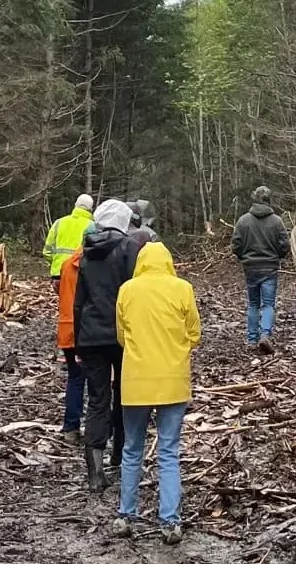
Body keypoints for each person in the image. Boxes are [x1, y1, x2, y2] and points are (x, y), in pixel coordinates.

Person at [114, 242, 202, 544]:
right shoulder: (182, 289)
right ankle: (170, 521)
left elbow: (121, 335)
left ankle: (126, 515)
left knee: (131, 450)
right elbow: (194, 333)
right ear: (168, 262)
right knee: (168, 452)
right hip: (173, 382)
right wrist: (176, 350)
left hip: (135, 382)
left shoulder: (127, 290)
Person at [74, 199, 138, 490]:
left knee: (97, 399)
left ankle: (95, 472)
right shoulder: (129, 249)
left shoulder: (86, 251)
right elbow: (135, 294)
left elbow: (79, 302)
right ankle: (121, 456)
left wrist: (78, 343)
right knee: (126, 396)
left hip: (91, 335)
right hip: (123, 335)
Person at [231, 186, 289, 352]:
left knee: (253, 304)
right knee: (268, 304)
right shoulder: (277, 221)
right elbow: (285, 245)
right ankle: (265, 334)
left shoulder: (243, 221)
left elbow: (236, 245)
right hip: (270, 266)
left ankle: (252, 338)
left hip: (251, 267)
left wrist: (244, 257)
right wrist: (277, 256)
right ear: (269, 199)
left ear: (254, 198)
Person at [55, 242, 87, 443]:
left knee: (75, 378)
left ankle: (71, 427)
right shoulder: (95, 265)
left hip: (67, 329)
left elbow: (61, 292)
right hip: (87, 330)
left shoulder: (67, 264)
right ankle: (96, 429)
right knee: (97, 382)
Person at [44, 194, 94, 282]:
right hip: (79, 273)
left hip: (58, 273)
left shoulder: (59, 222)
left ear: (75, 205)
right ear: (91, 209)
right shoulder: (92, 226)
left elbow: (47, 252)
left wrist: (56, 263)